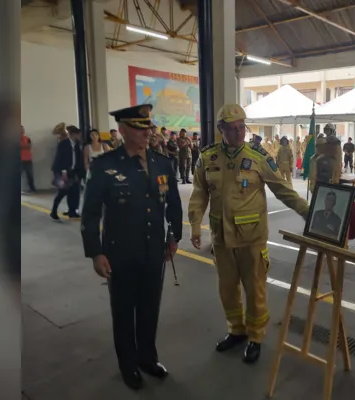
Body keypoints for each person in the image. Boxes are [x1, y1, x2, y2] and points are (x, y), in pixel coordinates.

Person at [188, 104, 309, 364]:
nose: (238, 133)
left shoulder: (258, 157)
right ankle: (236, 330)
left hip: (252, 239)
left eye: (242, 127)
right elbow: (199, 192)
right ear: (221, 130)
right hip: (221, 239)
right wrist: (195, 224)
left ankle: (255, 336)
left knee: (255, 290)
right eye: (232, 129)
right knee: (227, 290)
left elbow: (282, 189)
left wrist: (309, 212)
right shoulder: (208, 158)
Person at [80, 104, 183, 391]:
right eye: (139, 128)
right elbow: (89, 213)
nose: (147, 132)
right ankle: (128, 365)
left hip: (154, 252)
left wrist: (174, 236)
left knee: (150, 309)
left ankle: (147, 358)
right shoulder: (105, 166)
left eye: (148, 127)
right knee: (124, 312)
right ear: (123, 131)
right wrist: (96, 252)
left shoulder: (163, 163)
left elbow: (172, 203)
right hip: (120, 254)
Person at [50, 125, 83, 220]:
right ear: (73, 134)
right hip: (61, 170)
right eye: (78, 134)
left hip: (72, 170)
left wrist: (78, 172)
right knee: (63, 191)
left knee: (74, 191)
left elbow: (77, 159)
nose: (79, 136)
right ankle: (53, 211)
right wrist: (63, 172)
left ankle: (72, 211)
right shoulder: (63, 143)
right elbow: (61, 159)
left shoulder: (77, 144)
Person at [20, 125, 37, 193]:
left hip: (28, 159)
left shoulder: (27, 138)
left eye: (23, 129)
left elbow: (29, 146)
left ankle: (32, 189)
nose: (22, 130)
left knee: (30, 175)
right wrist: (25, 146)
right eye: (21, 129)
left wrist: (23, 146)